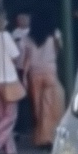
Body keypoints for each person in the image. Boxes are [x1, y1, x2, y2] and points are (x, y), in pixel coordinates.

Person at [0, 7, 24, 151]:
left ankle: (9, 148)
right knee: (10, 116)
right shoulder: (5, 36)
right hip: (7, 79)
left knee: (0, 116)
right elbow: (15, 55)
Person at [23, 17, 64, 146]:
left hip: (34, 73)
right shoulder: (55, 34)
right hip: (50, 72)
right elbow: (59, 49)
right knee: (51, 106)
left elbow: (25, 58)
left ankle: (39, 137)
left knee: (38, 108)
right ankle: (49, 137)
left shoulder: (28, 37)